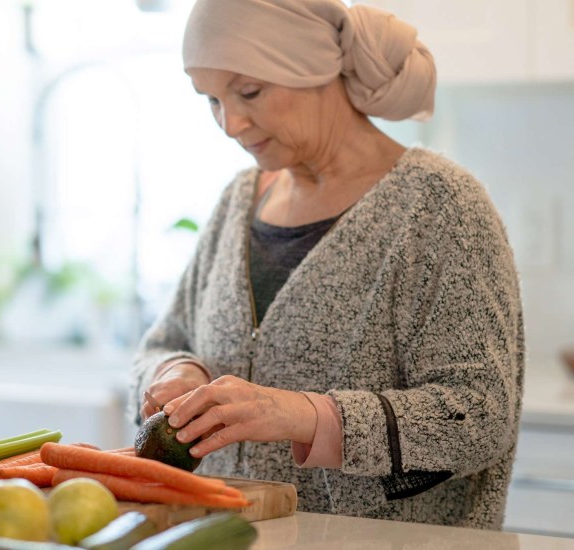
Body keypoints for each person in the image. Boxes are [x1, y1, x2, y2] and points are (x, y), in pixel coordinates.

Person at [129, 0, 524, 530]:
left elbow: (480, 416)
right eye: (211, 101)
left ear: (313, 67)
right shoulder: (238, 200)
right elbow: (164, 338)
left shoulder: (439, 207)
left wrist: (302, 415)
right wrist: (175, 370)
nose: (230, 123)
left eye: (248, 92)